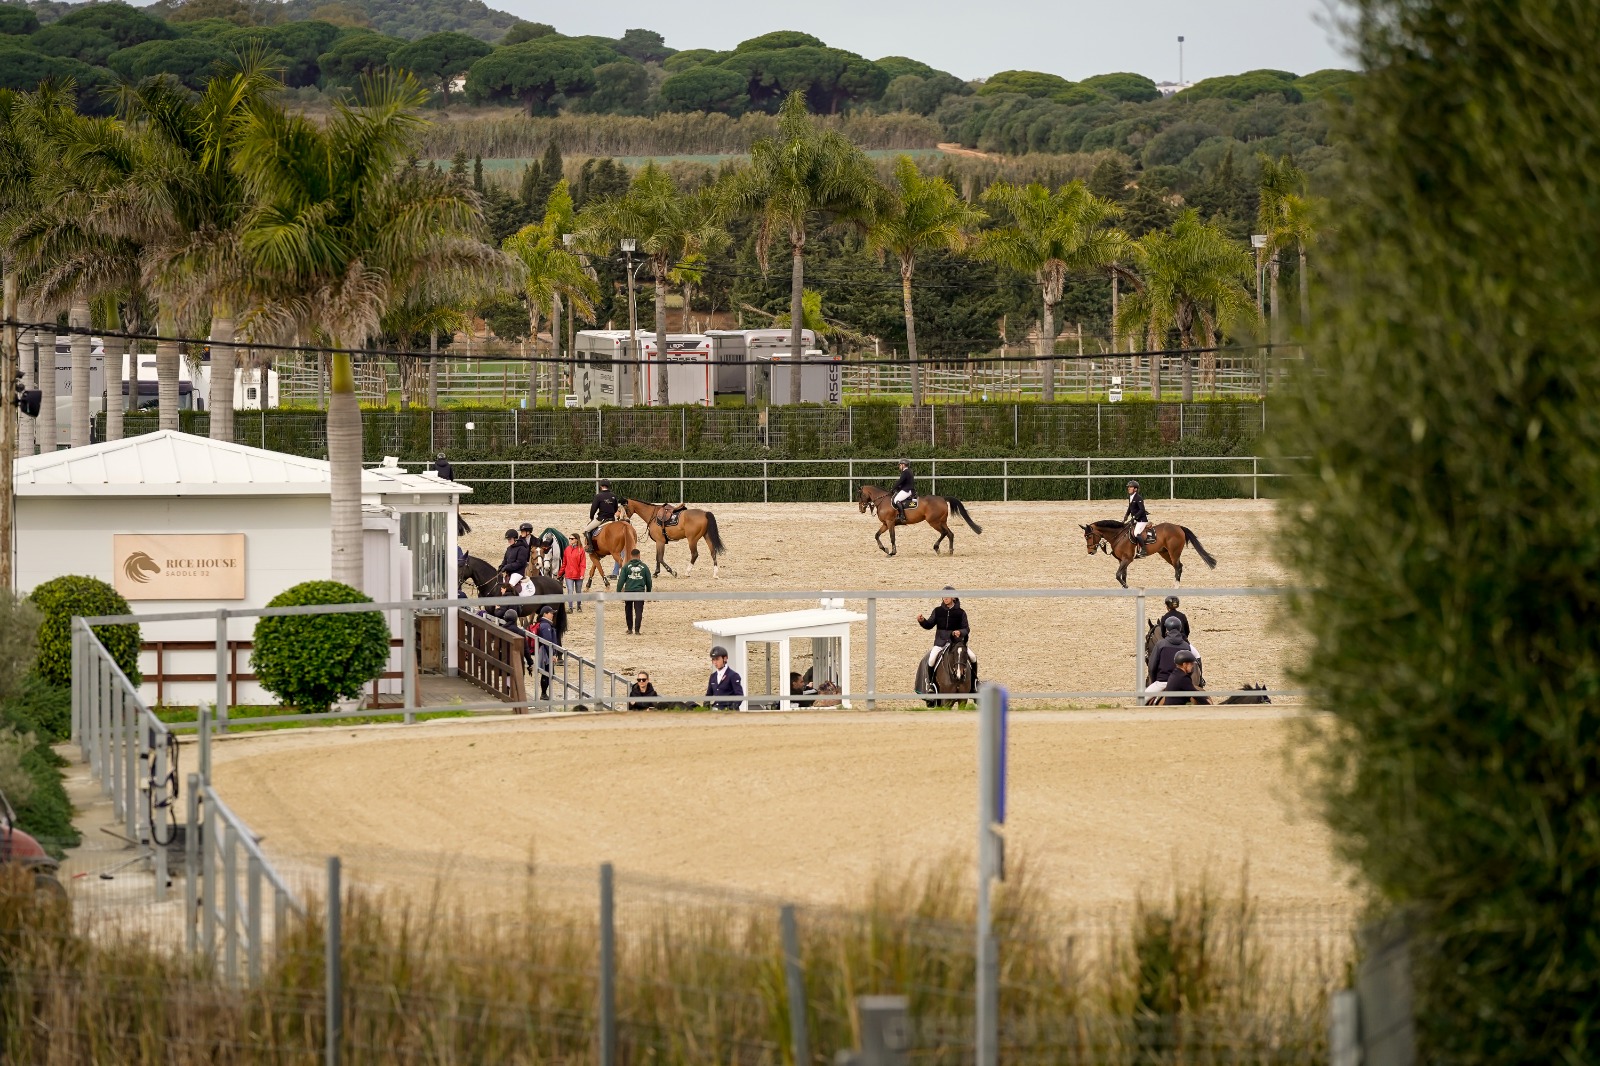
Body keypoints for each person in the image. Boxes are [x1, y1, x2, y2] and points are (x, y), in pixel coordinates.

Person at [918, 586, 977, 683]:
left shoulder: (961, 613)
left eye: (947, 596)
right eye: (943, 596)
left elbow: (966, 628)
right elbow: (929, 625)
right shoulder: (937, 611)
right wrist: (922, 621)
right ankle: (931, 684)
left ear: (953, 597)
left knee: (973, 657)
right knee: (932, 659)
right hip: (940, 643)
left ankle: (975, 683)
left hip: (956, 644)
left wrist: (960, 632)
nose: (945, 598)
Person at [1146, 615, 1193, 697]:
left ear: (1166, 629)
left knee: (1141, 699)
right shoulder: (1186, 646)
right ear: (1179, 628)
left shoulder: (1161, 644)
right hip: (1181, 684)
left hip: (1162, 683)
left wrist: (1154, 682)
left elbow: (1152, 667)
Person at [617, 547, 653, 634]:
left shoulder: (626, 567)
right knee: (639, 611)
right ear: (639, 556)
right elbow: (649, 581)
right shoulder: (644, 567)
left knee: (628, 610)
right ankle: (637, 630)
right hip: (639, 591)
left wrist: (618, 591)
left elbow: (621, 580)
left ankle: (629, 629)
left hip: (628, 591)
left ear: (631, 556)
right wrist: (648, 592)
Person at [533, 605, 560, 701]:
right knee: (547, 672)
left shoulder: (545, 624)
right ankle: (543, 693)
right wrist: (552, 654)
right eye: (551, 613)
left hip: (545, 651)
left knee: (547, 672)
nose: (552, 615)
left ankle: (544, 693)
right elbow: (548, 641)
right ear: (545, 614)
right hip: (545, 652)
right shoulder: (545, 626)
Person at [1124, 480, 1153, 557]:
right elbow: (1130, 508)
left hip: (1141, 520)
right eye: (1128, 487)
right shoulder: (1130, 497)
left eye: (1131, 487)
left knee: (1136, 533)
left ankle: (1144, 550)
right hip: (1136, 520)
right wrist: (1126, 516)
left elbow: (1142, 510)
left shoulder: (1138, 498)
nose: (1129, 488)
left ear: (1135, 489)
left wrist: (1134, 517)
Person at [561, 533, 587, 611]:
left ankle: (579, 606)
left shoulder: (581, 550)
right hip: (569, 574)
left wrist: (582, 574)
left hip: (578, 575)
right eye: (570, 538)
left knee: (578, 591)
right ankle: (570, 607)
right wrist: (560, 573)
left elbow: (583, 564)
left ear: (576, 540)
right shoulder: (567, 549)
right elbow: (564, 563)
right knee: (570, 591)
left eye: (572, 539)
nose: (570, 540)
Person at [891, 458, 916, 524]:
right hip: (907, 489)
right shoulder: (908, 471)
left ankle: (902, 516)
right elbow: (904, 482)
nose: (899, 466)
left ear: (903, 465)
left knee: (896, 500)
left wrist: (893, 488)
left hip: (907, 490)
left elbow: (900, 481)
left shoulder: (906, 472)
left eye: (900, 465)